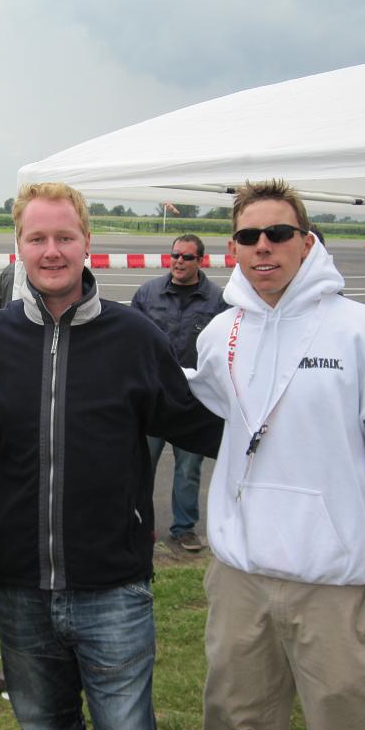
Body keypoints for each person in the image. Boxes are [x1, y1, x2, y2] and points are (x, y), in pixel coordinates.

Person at [0, 182, 224, 730]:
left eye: (65, 237)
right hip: (21, 588)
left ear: (87, 242)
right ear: (19, 246)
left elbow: (205, 426)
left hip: (114, 588)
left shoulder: (136, 338)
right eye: (37, 238)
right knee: (44, 725)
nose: (51, 251)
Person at [186, 179, 365, 730]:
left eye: (278, 233)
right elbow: (201, 403)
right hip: (240, 578)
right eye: (248, 236)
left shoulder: (359, 330)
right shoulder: (221, 333)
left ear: (306, 241)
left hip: (333, 581)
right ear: (232, 249)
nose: (263, 246)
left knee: (348, 719)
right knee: (236, 719)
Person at [131, 234, 229, 551]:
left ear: (200, 260)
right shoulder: (148, 294)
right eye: (175, 255)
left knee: (188, 469)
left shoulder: (218, 301)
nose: (179, 261)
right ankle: (139, 524)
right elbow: (131, 343)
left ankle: (184, 528)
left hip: (193, 402)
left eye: (187, 257)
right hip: (153, 399)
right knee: (141, 465)